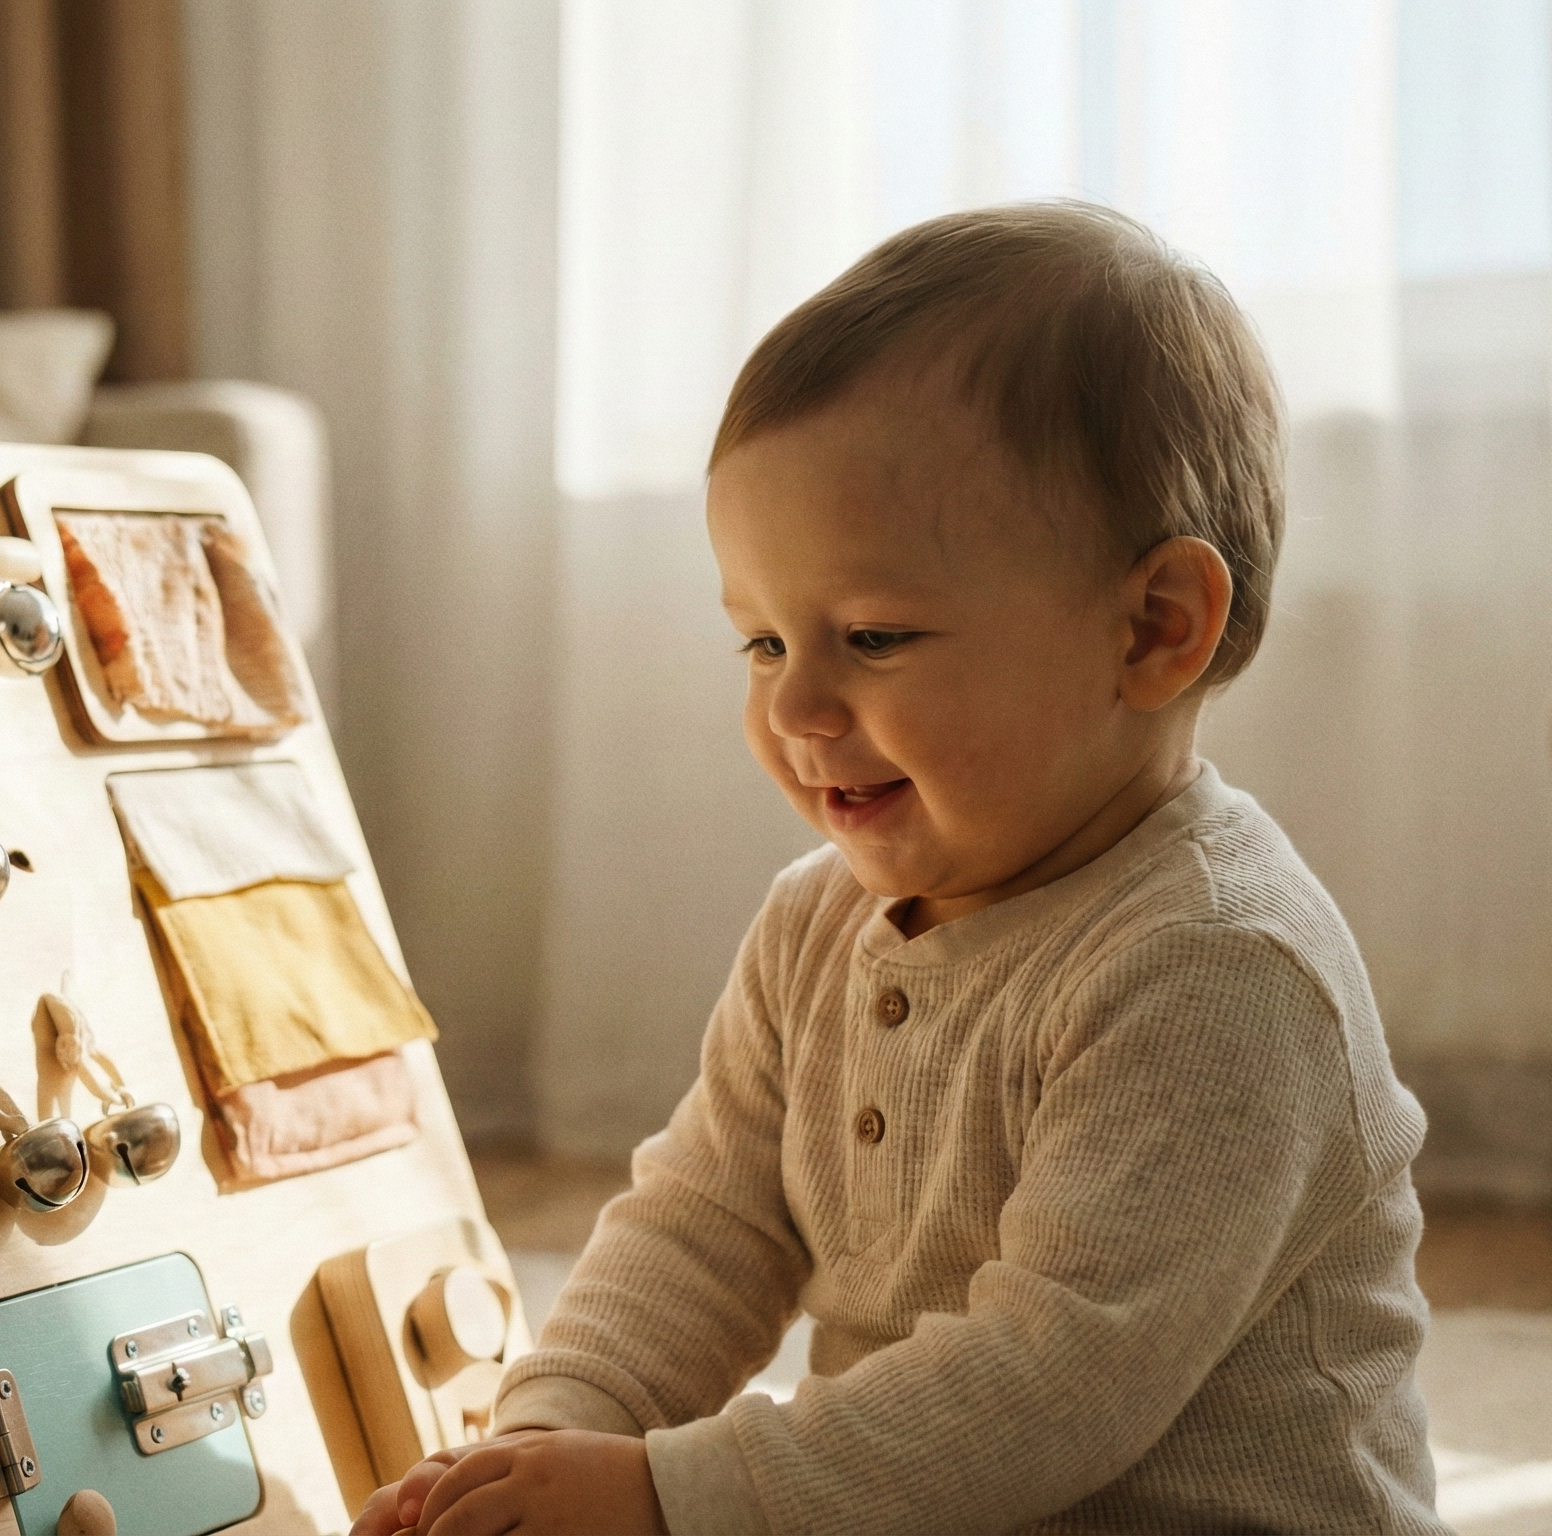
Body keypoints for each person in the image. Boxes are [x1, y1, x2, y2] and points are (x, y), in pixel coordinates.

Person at [352, 203, 1442, 1535]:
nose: (795, 708)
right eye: (759, 643)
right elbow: (704, 1224)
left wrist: (667, 1497)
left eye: (870, 637)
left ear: (1153, 630)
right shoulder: (816, 925)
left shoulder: (1215, 969)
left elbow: (1051, 1383)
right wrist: (561, 1428)